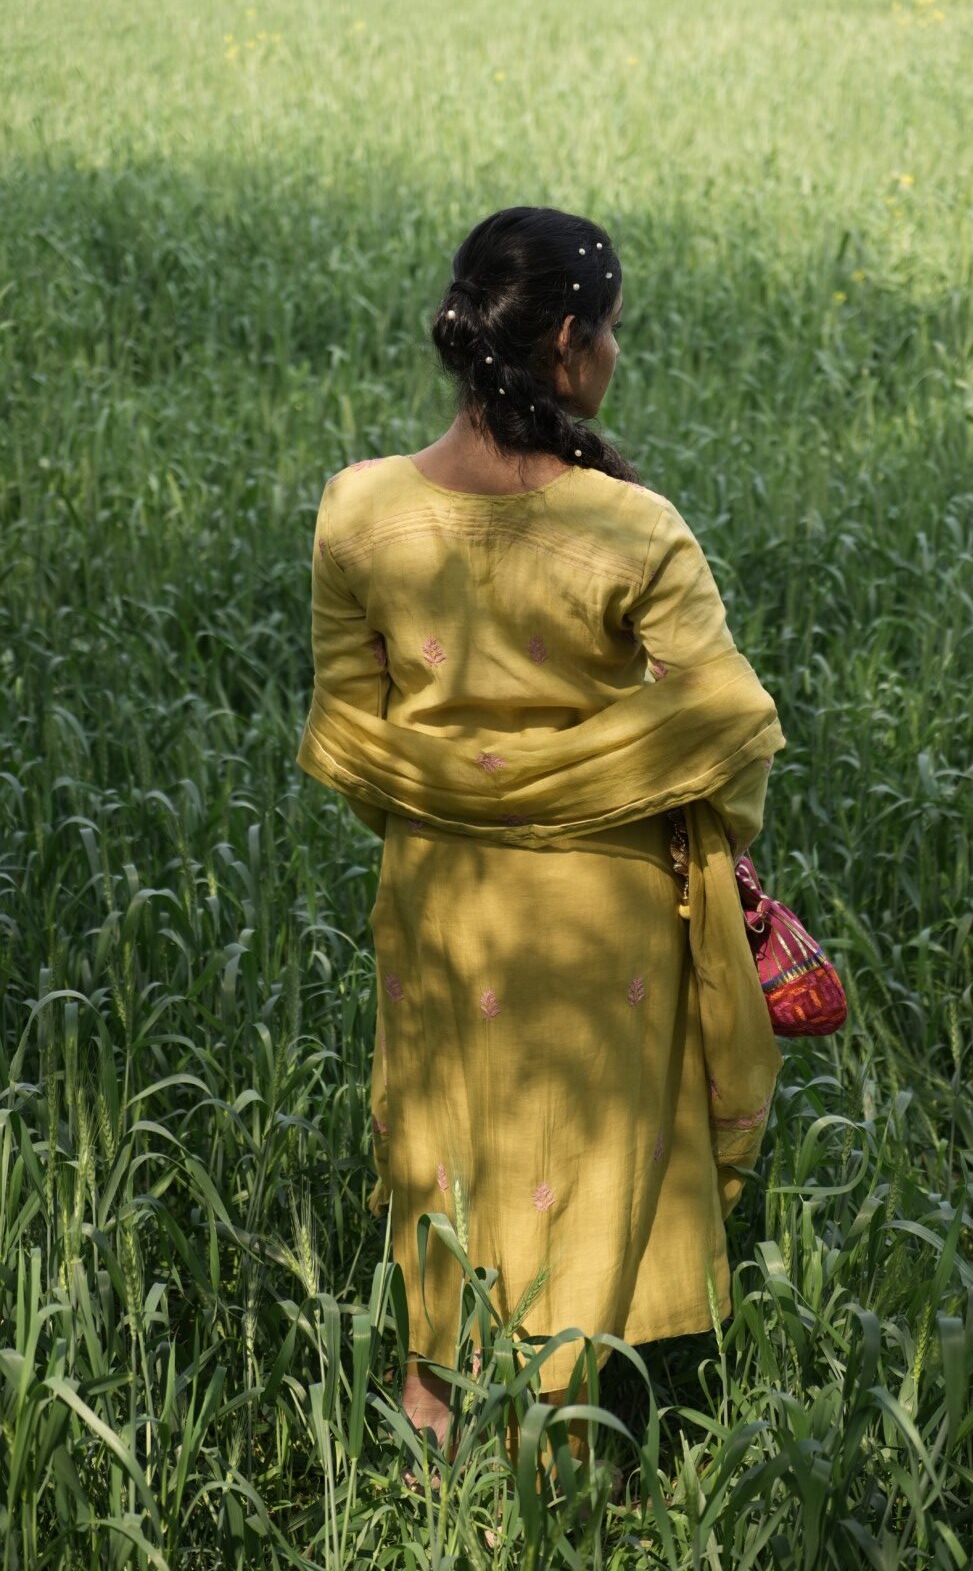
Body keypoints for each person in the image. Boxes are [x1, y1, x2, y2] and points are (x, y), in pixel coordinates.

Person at [296, 205, 784, 1474]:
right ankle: (553, 1458)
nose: (615, 352)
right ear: (567, 343)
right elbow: (727, 723)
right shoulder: (630, 527)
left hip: (437, 898)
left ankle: (431, 1423)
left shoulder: (358, 512)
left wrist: (458, 801)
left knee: (444, 1142)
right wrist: (642, 804)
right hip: (599, 913)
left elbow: (350, 737)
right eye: (611, 331)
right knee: (579, 1162)